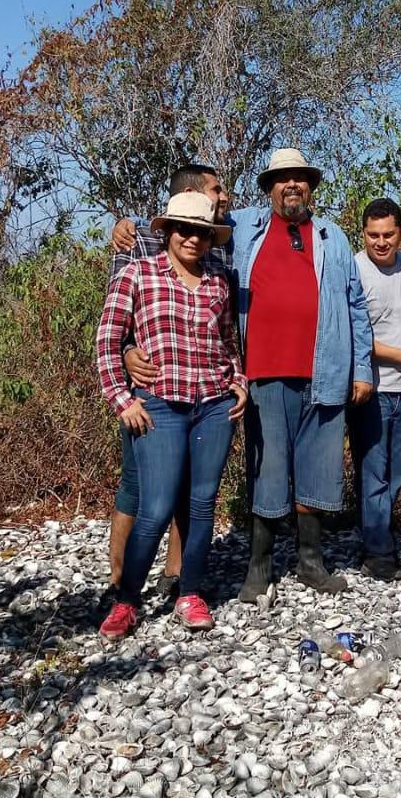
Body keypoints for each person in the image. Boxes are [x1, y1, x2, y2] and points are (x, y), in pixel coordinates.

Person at [95, 192, 247, 640]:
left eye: (200, 231)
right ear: (166, 232)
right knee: (156, 507)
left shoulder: (220, 280)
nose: (191, 238)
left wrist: (239, 380)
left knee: (201, 506)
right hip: (159, 404)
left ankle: (191, 592)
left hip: (214, 406)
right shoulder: (136, 274)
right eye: (182, 229)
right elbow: (107, 343)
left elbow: (228, 342)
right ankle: (126, 600)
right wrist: (123, 401)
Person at [231, 148, 374, 602]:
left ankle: (310, 562)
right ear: (269, 187)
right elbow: (184, 230)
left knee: (317, 469)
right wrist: (130, 228)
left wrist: (363, 368)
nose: (291, 185)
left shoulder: (332, 236)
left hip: (326, 370)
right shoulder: (242, 228)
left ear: (310, 186)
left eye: (299, 179)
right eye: (281, 179)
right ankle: (260, 566)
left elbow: (355, 305)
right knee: (268, 468)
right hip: (265, 374)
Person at [348, 198, 401, 581]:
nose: (380, 242)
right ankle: (378, 553)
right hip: (370, 389)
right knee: (373, 472)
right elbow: (352, 334)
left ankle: (379, 534)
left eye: (388, 235)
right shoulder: (352, 268)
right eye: (372, 235)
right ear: (362, 233)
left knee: (398, 472)